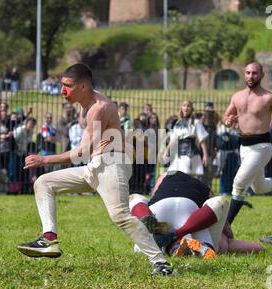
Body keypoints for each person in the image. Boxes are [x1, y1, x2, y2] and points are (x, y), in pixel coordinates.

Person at [16, 63, 173, 276]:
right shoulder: (85, 101)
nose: (62, 91)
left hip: (111, 165)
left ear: (83, 87)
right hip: (95, 166)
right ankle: (49, 239)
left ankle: (162, 264)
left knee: (120, 216)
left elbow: (81, 151)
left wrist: (44, 160)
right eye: (62, 85)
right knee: (44, 183)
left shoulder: (100, 108)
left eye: (67, 86)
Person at [222, 62, 272, 226]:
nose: (251, 76)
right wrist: (228, 121)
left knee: (238, 183)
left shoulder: (269, 97)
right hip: (243, 147)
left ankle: (226, 225)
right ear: (244, 74)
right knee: (259, 187)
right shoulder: (237, 96)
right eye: (248, 73)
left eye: (255, 73)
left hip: (262, 147)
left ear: (262, 75)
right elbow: (226, 118)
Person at [129, 171, 264, 257]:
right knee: (221, 202)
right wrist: (227, 233)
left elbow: (154, 193)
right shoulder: (204, 188)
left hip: (158, 219)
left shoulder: (166, 177)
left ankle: (149, 221)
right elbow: (217, 210)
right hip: (190, 219)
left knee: (134, 198)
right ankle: (177, 241)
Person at [163, 100, 209, 180]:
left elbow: (202, 140)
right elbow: (173, 139)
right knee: (176, 175)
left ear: (191, 109)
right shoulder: (178, 123)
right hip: (179, 154)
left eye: (188, 106)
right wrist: (166, 151)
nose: (186, 108)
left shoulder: (196, 122)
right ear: (181, 107)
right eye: (184, 105)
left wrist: (205, 155)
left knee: (188, 176)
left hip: (191, 153)